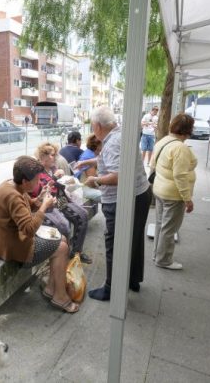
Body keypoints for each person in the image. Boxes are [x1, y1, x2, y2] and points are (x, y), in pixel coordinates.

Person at [0, 156, 79, 313]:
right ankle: (59, 296)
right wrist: (43, 207)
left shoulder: (11, 185)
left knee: (63, 239)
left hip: (11, 240)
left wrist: (38, 198)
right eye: (37, 180)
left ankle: (52, 288)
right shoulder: (12, 195)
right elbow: (29, 229)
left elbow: (25, 204)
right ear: (25, 181)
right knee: (63, 248)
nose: (39, 183)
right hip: (12, 249)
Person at [83, 106, 152, 301]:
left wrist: (95, 180)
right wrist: (88, 163)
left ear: (97, 126)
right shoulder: (121, 133)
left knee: (114, 243)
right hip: (141, 193)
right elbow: (114, 160)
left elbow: (120, 176)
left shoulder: (112, 142)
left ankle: (111, 288)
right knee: (135, 239)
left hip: (123, 200)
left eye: (92, 126)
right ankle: (132, 279)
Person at [150, 114, 197, 270]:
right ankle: (163, 260)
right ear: (188, 130)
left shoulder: (163, 141)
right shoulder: (180, 148)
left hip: (160, 189)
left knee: (160, 225)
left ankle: (157, 254)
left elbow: (152, 164)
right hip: (173, 195)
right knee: (169, 228)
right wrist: (187, 198)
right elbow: (180, 175)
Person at [32, 142, 91, 264]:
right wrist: (55, 178)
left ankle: (76, 252)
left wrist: (66, 181)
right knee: (68, 222)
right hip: (50, 203)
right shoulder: (38, 171)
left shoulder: (53, 168)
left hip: (61, 199)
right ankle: (67, 253)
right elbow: (44, 192)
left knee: (84, 214)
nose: (56, 157)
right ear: (44, 157)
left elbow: (59, 187)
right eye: (53, 155)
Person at [76, 134, 102, 202]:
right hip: (84, 187)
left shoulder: (92, 153)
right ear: (97, 145)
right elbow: (91, 181)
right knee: (105, 196)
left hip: (86, 185)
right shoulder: (89, 156)